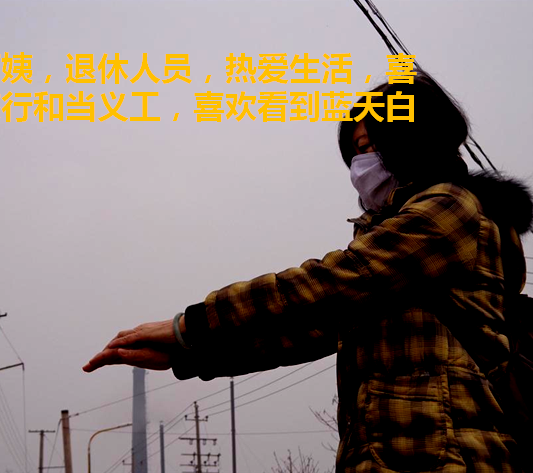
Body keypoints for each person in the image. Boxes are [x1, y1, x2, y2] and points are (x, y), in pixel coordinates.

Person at [83, 72, 532, 472]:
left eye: (370, 146)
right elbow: (306, 332)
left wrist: (190, 325)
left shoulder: (448, 210)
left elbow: (329, 282)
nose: (361, 164)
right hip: (391, 457)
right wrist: (188, 355)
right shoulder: (398, 242)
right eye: (356, 152)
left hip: (448, 456)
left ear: (413, 139)